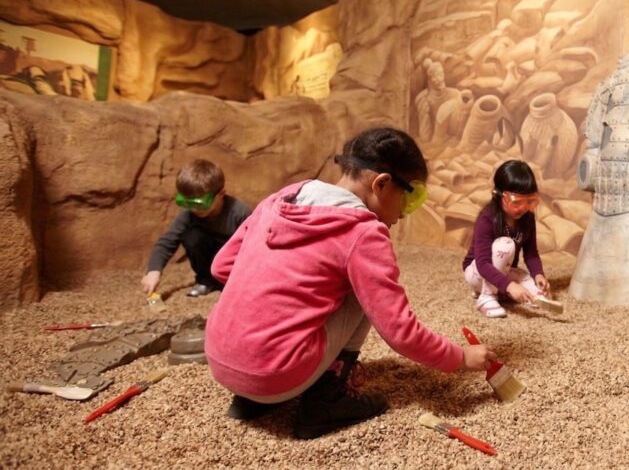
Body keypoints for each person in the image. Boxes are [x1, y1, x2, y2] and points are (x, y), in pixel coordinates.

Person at [204, 127, 495, 440]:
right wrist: (459, 357)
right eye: (408, 200)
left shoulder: (283, 197)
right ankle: (325, 402)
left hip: (220, 363)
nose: (402, 215)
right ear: (381, 184)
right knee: (363, 292)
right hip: (276, 375)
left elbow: (221, 267)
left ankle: (249, 399)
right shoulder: (364, 233)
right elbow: (400, 331)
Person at [141, 159, 250, 298]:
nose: (193, 209)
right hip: (209, 256)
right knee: (192, 236)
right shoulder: (188, 215)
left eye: (199, 203)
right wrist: (153, 271)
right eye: (186, 202)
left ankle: (232, 283)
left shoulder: (239, 212)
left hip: (233, 259)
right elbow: (166, 242)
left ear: (220, 194)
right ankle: (206, 281)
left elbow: (254, 247)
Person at [463, 160, 550, 318]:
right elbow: (483, 264)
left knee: (538, 295)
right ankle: (486, 296)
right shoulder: (487, 218)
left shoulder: (527, 218)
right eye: (516, 202)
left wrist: (538, 274)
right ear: (499, 195)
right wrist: (510, 286)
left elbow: (531, 253)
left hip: (505, 269)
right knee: (505, 245)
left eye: (529, 202)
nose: (523, 208)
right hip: (477, 272)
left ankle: (501, 291)